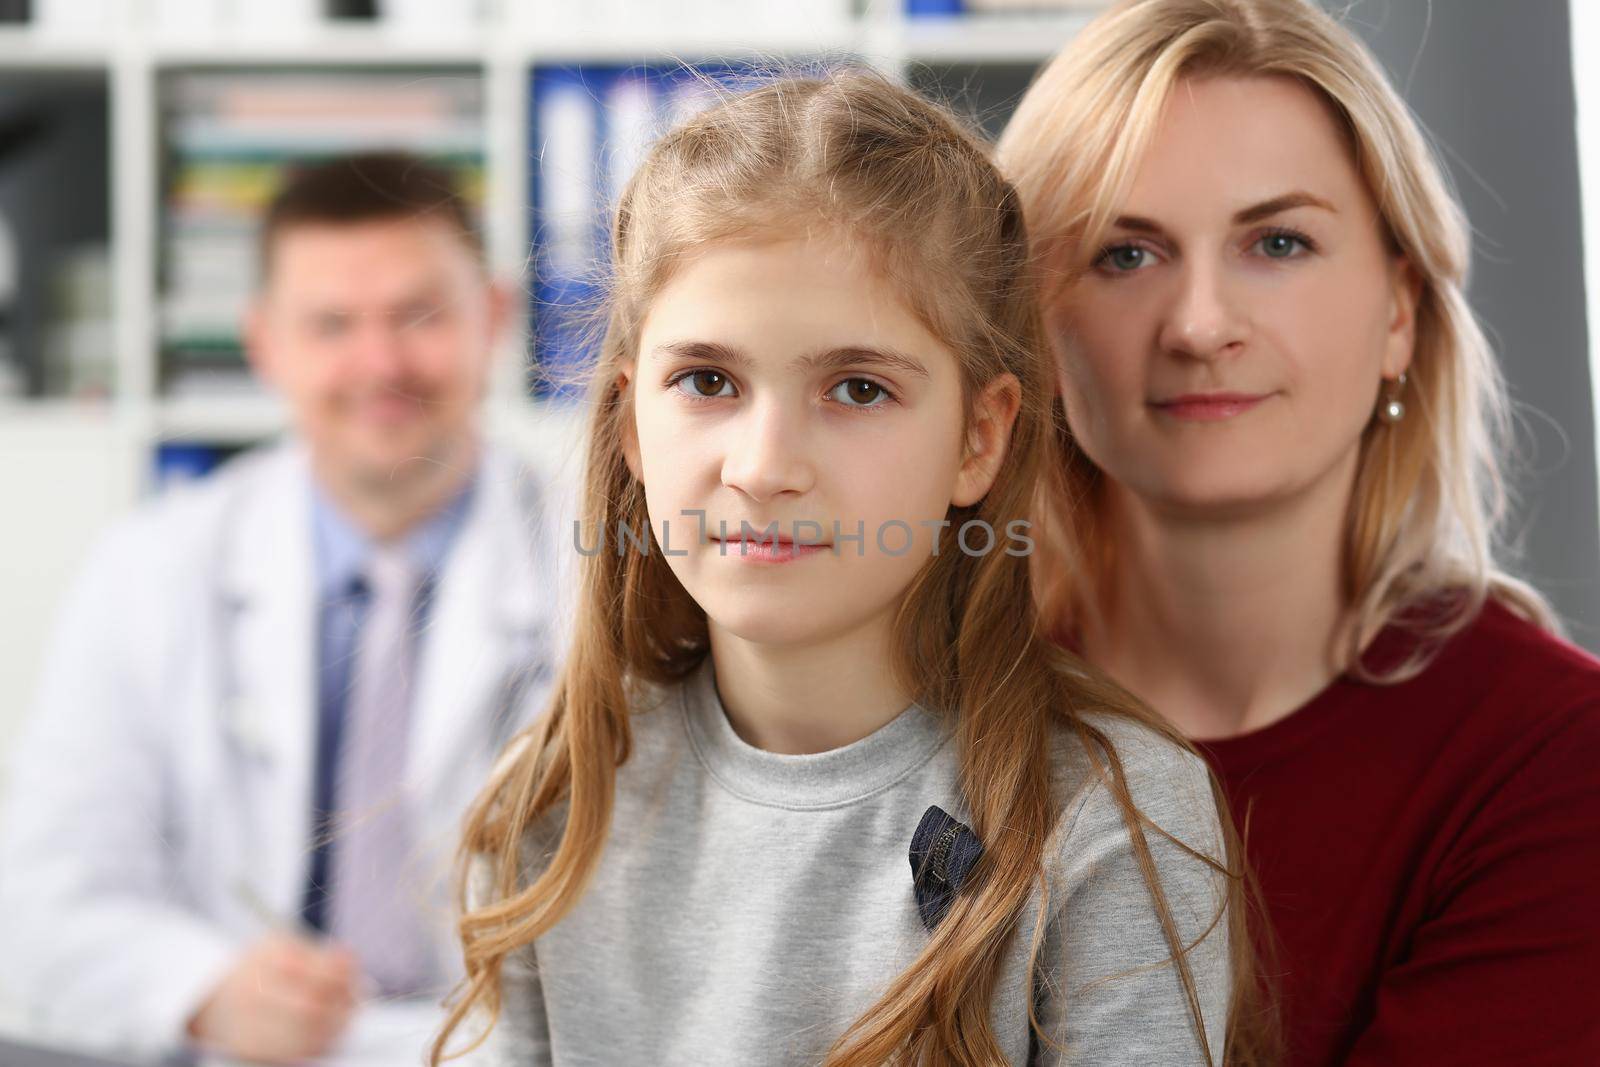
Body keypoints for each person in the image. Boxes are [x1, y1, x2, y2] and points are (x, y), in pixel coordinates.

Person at [427, 71, 1267, 1067]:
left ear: (978, 437)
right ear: (629, 423)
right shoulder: (554, 804)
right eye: (707, 381)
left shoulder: (1108, 815)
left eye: (857, 388)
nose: (764, 465)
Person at [996, 0, 1600, 1063]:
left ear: (1398, 312)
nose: (1199, 324)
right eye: (1124, 255)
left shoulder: (1553, 758)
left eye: (1277, 242)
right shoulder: (921, 727)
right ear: (1033, 329)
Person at [0, 152, 566, 1064]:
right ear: (263, 343)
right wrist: (203, 988)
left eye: (419, 316)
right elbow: (40, 895)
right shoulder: (153, 566)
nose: (380, 362)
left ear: (493, 317)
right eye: (332, 324)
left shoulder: (602, 576)